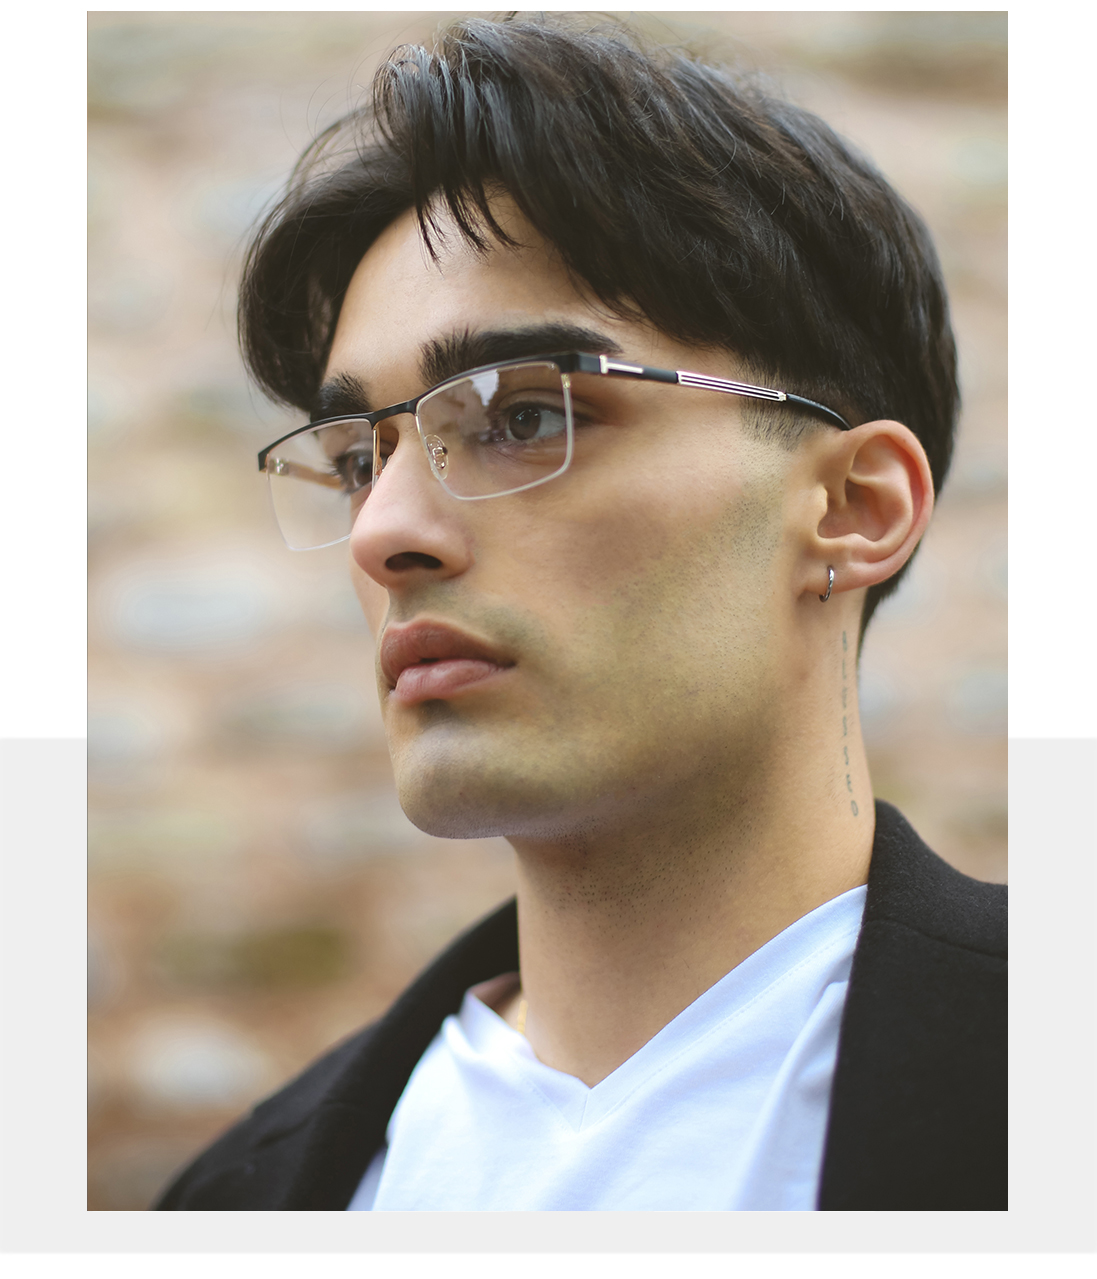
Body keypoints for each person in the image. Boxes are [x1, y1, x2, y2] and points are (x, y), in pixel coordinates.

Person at [155, 16, 1005, 1211]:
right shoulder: (231, 1206)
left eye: (524, 417)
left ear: (851, 508)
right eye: (356, 459)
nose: (382, 531)